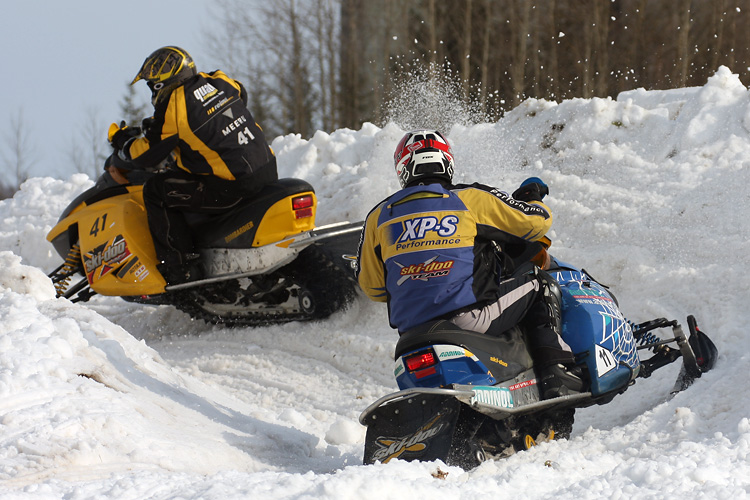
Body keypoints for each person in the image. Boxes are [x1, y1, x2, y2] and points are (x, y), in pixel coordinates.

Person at [355, 129, 584, 399]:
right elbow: (537, 223)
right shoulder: (469, 198)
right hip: (467, 320)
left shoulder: (378, 217)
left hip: (411, 334)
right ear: (446, 161)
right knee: (539, 284)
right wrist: (532, 197)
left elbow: (372, 288)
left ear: (403, 168)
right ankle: (555, 373)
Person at [108, 46, 278, 285]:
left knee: (156, 190)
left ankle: (180, 268)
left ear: (161, 82)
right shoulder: (218, 79)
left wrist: (122, 142)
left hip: (234, 187)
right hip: (267, 168)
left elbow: (146, 155)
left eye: (151, 84)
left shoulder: (173, 106)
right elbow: (241, 93)